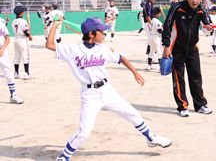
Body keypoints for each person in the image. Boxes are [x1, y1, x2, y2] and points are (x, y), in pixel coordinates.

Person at [46, 17, 172, 161]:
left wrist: (135, 73)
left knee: (133, 114)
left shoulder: (104, 49)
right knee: (84, 132)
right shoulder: (72, 50)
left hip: (107, 90)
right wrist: (55, 25)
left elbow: (121, 58)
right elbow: (49, 44)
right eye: (102, 31)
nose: (105, 34)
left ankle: (151, 138)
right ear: (92, 34)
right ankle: (64, 156)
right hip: (89, 94)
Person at [162, 0, 214, 117]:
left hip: (192, 49)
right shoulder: (177, 8)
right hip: (177, 49)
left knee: (196, 77)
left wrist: (208, 27)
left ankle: (200, 105)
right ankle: (182, 106)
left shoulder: (201, 9)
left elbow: (206, 22)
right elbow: (167, 26)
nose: (194, 1)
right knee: (179, 79)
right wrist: (166, 47)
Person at [0, 17, 24, 104]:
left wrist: (2, 49)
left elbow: (7, 39)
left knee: (8, 73)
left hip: (1, 51)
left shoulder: (0, 23)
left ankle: (13, 95)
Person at [11, 5, 33, 80]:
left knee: (17, 56)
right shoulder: (23, 21)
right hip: (22, 39)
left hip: (16, 39)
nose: (23, 13)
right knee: (25, 56)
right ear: (21, 13)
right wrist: (29, 36)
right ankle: (27, 73)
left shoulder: (13, 21)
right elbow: (25, 31)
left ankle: (16, 73)